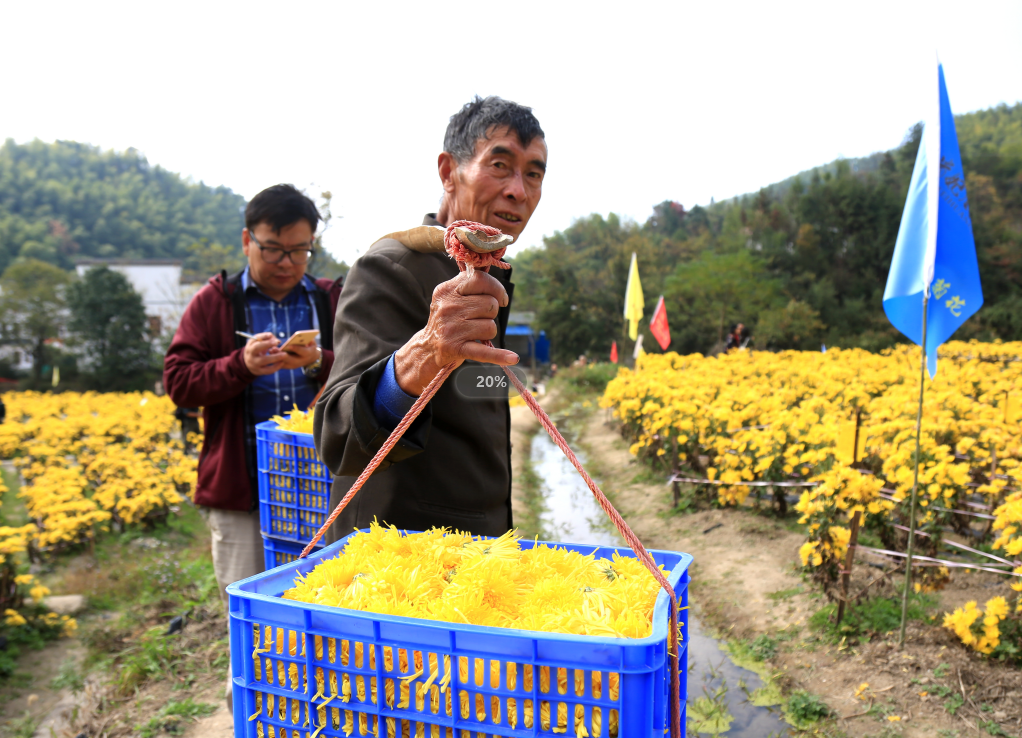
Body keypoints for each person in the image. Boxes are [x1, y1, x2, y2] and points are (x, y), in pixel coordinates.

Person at [315, 96, 546, 540]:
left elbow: (472, 405)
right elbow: (337, 436)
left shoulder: (490, 275)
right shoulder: (393, 268)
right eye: (500, 165)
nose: (519, 189)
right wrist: (425, 353)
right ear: (447, 172)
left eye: (533, 173)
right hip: (398, 562)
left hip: (478, 553)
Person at [163, 184, 342, 605]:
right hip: (241, 492)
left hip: (321, 488)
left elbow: (369, 371)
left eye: (300, 251)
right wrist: (238, 367)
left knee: (322, 612)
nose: (287, 263)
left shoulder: (328, 299)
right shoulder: (214, 302)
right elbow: (178, 382)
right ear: (247, 242)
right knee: (251, 617)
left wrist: (317, 362)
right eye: (273, 250)